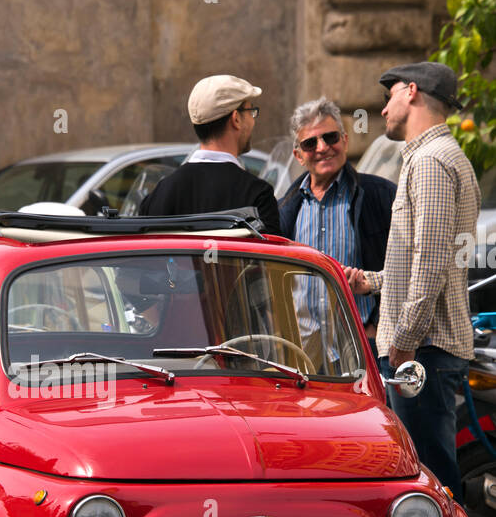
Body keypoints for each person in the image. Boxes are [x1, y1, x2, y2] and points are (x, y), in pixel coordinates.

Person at [345, 62, 480, 500]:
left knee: (426, 482)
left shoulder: (431, 160)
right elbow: (422, 260)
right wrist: (372, 281)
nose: (383, 108)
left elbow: (433, 262)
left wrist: (405, 340)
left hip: (424, 352)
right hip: (427, 349)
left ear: (412, 91)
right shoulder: (435, 157)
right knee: (425, 475)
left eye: (390, 96)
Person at [280, 97, 394, 348]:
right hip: (304, 352)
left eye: (330, 137)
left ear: (344, 140)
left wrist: (376, 326)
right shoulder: (286, 207)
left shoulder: (381, 195)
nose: (322, 148)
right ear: (298, 155)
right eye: (310, 143)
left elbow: (404, 267)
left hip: (362, 345)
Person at [141, 74, 282, 235]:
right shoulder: (257, 195)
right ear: (236, 119)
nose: (253, 120)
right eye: (251, 111)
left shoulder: (159, 194)